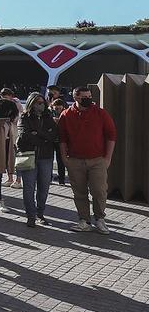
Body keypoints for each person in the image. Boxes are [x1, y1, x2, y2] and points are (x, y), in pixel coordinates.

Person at [58, 85, 117, 234]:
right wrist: (65, 158)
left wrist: (107, 158)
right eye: (85, 97)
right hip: (75, 161)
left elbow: (111, 135)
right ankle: (84, 220)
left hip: (97, 160)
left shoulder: (100, 113)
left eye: (90, 96)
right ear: (75, 98)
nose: (88, 99)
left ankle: (100, 219)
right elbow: (62, 138)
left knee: (99, 191)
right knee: (79, 192)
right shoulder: (66, 115)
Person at [16, 92, 59, 227]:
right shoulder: (24, 118)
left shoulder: (48, 118)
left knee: (44, 187)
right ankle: (31, 215)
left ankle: (40, 213)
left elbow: (54, 135)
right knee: (28, 188)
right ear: (31, 103)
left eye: (41, 102)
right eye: (37, 102)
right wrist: (44, 137)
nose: (40, 105)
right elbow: (24, 136)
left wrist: (37, 133)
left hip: (45, 157)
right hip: (29, 155)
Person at [50, 97, 69, 184]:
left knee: (60, 160)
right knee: (49, 159)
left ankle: (61, 179)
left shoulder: (66, 114)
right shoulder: (50, 113)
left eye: (59, 108)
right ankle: (49, 177)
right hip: (51, 139)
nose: (57, 110)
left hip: (61, 140)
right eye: (56, 108)